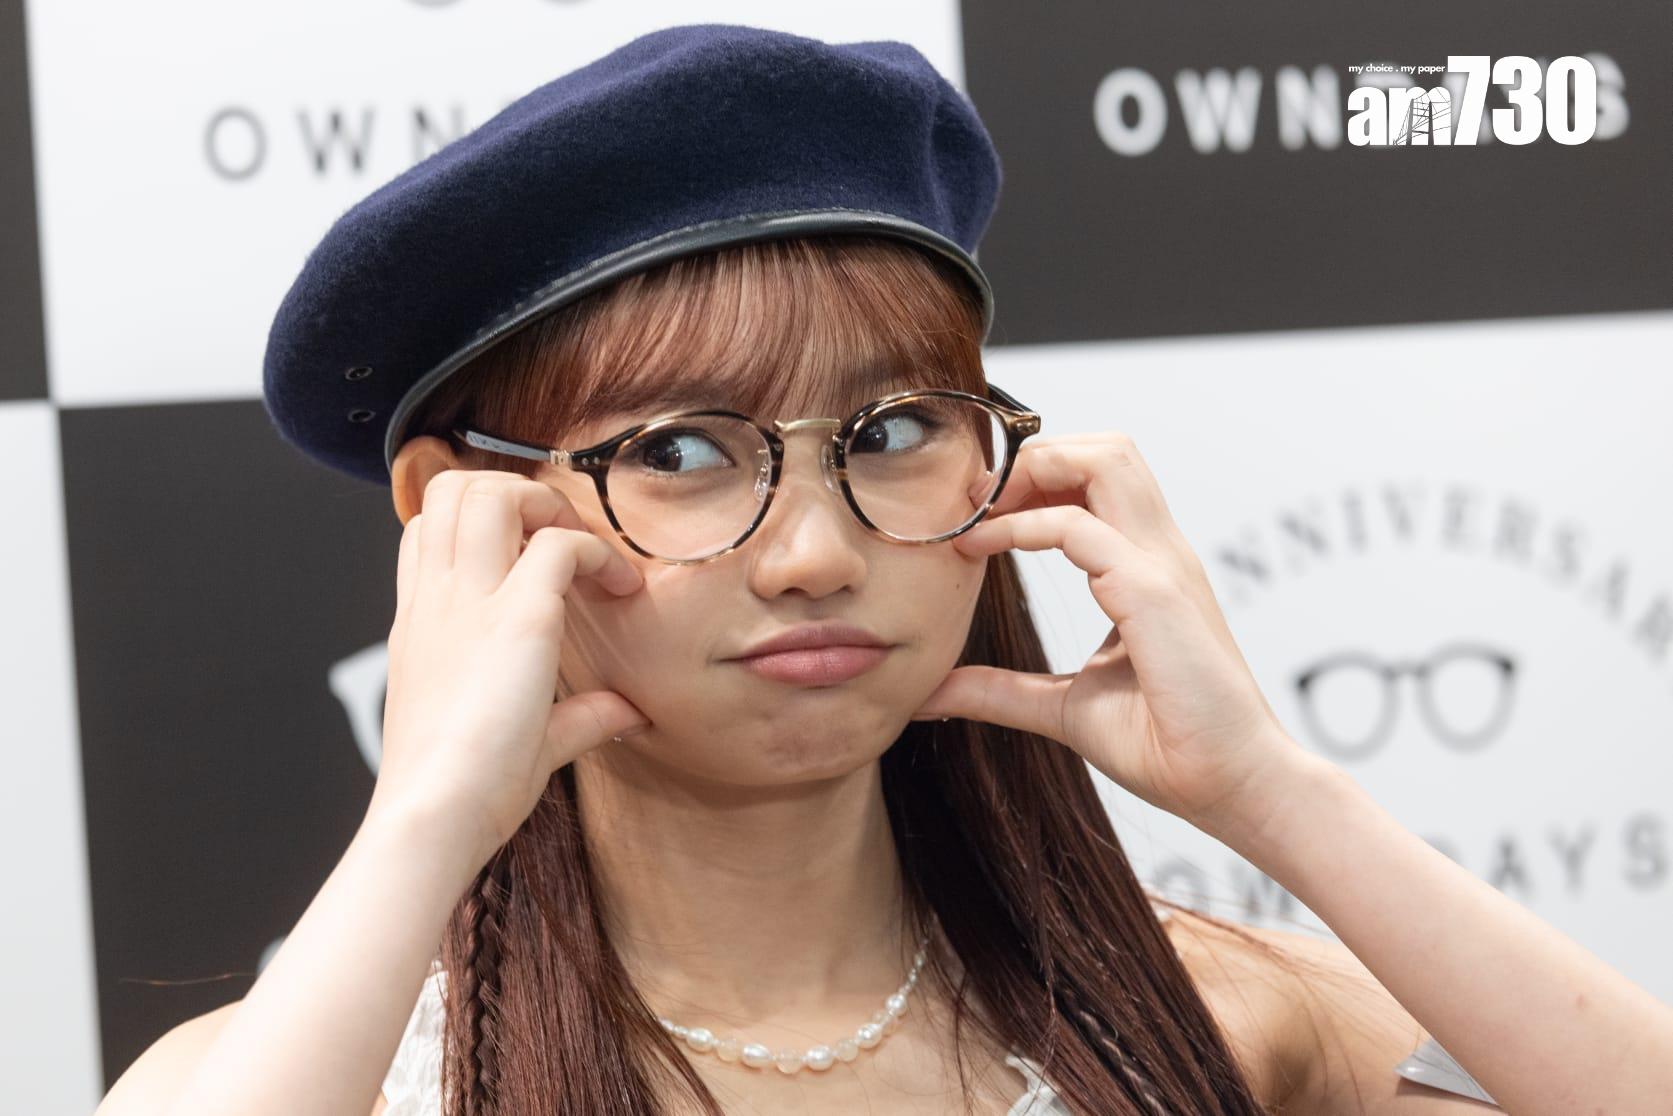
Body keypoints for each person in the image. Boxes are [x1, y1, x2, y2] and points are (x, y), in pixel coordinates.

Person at [97, 23, 1672, 1116]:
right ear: (467, 508)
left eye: (897, 430)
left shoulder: (1213, 1016)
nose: (813, 553)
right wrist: (428, 821)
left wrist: (1269, 793)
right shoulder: (347, 1073)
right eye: (680, 452)